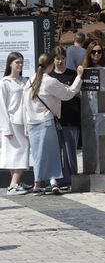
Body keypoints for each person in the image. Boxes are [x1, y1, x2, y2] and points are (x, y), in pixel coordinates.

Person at [24, 53, 83, 195]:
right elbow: (69, 94)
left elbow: (24, 105)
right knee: (52, 154)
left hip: (32, 122)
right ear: (50, 65)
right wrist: (79, 76)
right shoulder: (49, 81)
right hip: (46, 122)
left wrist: (26, 126)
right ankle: (44, 183)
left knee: (38, 155)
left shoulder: (30, 80)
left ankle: (45, 182)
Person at [48, 46, 80, 192]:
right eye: (57, 58)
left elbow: (79, 94)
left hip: (71, 117)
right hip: (55, 119)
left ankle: (72, 178)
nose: (60, 61)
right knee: (55, 150)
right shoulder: (50, 77)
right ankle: (58, 179)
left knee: (70, 151)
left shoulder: (72, 74)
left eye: (62, 58)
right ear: (53, 60)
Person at [1, 52, 30, 195]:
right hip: (12, 123)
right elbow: (2, 106)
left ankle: (16, 183)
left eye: (21, 62)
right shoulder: (5, 82)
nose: (20, 65)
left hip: (24, 122)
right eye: (17, 62)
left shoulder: (25, 81)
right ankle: (13, 185)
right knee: (19, 154)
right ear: (10, 64)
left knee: (18, 154)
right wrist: (6, 128)